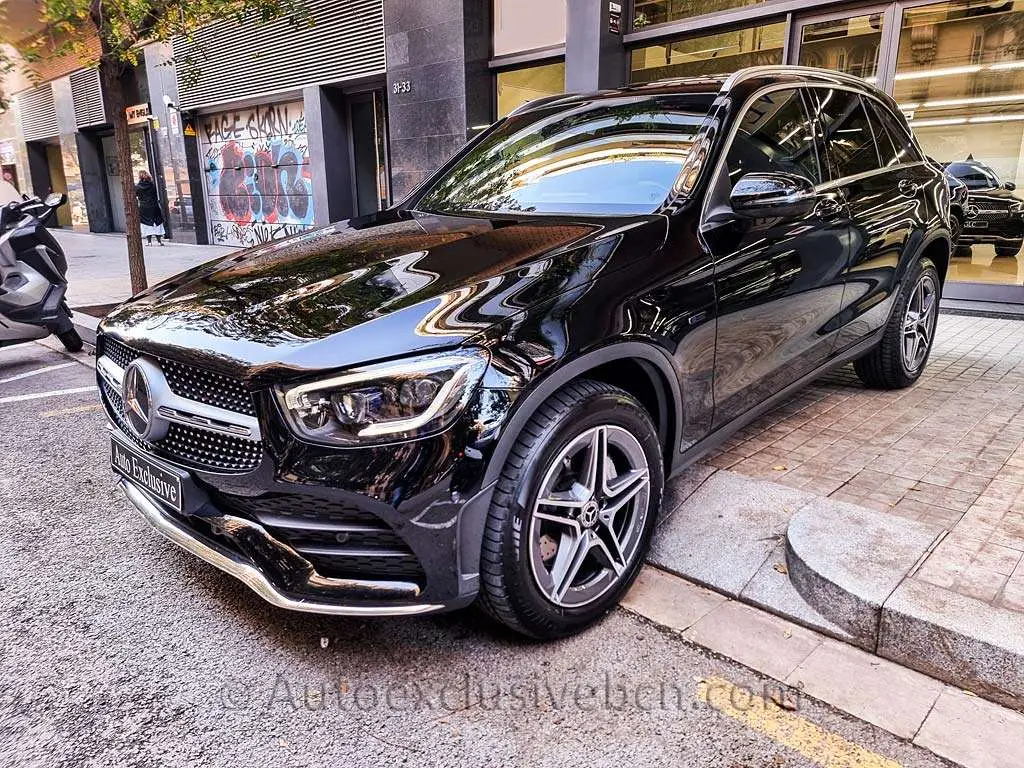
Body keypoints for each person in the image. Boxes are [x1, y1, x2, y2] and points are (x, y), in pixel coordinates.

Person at [134, 170, 165, 245]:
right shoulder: (153, 185)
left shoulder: (137, 187)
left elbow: (135, 195)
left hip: (144, 207)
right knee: (157, 222)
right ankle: (159, 241)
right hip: (154, 206)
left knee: (146, 223)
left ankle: (149, 241)